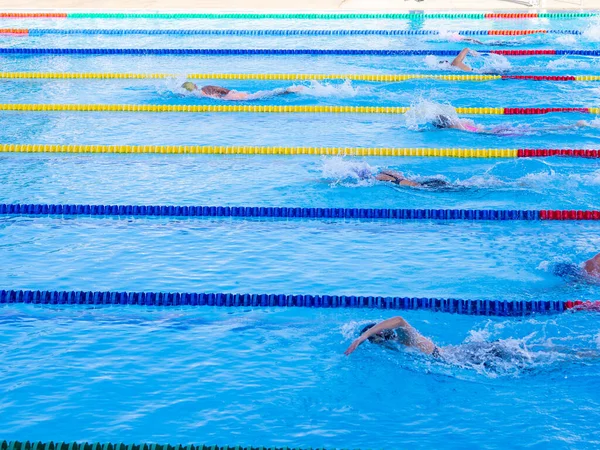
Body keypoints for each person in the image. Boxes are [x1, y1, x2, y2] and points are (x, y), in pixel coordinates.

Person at [181, 81, 303, 100]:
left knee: (263, 97)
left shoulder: (203, 92)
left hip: (234, 97)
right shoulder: (206, 87)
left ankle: (288, 90)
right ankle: (287, 90)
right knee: (262, 95)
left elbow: (218, 95)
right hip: (234, 94)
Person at [375, 169, 451, 189]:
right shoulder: (385, 171)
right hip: (425, 182)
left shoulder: (378, 177)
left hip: (421, 186)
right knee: (453, 186)